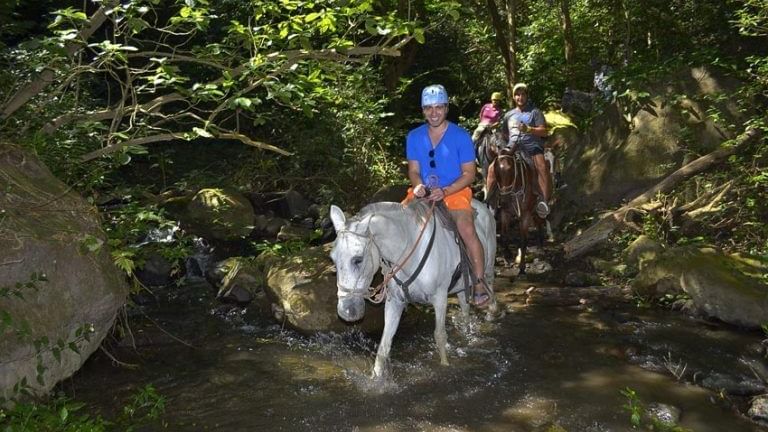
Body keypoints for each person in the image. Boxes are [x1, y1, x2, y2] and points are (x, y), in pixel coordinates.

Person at [402, 84, 491, 308]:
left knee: (467, 229)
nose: (434, 113)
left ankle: (479, 283)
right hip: (423, 192)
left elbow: (469, 174)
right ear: (423, 110)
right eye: (429, 108)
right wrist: (418, 185)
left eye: (439, 107)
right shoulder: (414, 137)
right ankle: (393, 279)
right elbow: (413, 170)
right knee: (396, 222)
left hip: (456, 191)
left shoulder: (461, 136)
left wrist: (446, 190)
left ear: (446, 108)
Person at [485, 83, 551, 217]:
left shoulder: (535, 112)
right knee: (493, 167)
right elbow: (504, 134)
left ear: (526, 96)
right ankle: (490, 200)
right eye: (517, 95)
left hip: (532, 146)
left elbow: (544, 131)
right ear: (514, 97)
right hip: (512, 147)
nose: (520, 97)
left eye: (522, 94)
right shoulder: (509, 115)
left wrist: (529, 129)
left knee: (542, 167)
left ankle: (544, 201)